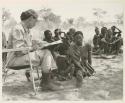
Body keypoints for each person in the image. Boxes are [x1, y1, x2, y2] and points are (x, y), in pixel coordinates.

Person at [7, 9, 63, 91]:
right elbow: (19, 51)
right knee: (46, 53)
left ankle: (47, 80)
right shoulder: (18, 29)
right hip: (14, 59)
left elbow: (29, 43)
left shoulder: (26, 30)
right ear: (30, 19)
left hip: (21, 57)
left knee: (47, 51)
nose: (35, 23)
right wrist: (34, 48)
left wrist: (41, 43)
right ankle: (46, 82)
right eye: (35, 21)